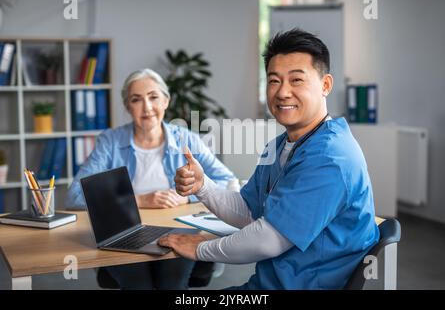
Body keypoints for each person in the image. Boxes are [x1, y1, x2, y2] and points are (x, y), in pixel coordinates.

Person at [158, 29, 380, 289]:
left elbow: (268, 239)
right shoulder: (279, 145)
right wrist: (203, 186)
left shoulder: (330, 157)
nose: (283, 92)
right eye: (274, 81)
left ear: (325, 85)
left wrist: (200, 248)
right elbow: (249, 210)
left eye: (296, 80)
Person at [66, 68, 234, 289]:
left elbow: (227, 181)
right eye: (136, 99)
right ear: (128, 106)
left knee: (172, 282)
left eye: (154, 97)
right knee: (138, 284)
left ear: (166, 101)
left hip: (179, 230)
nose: (147, 107)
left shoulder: (186, 139)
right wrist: (138, 200)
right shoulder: (110, 142)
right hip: (125, 231)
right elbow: (74, 196)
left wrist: (187, 198)